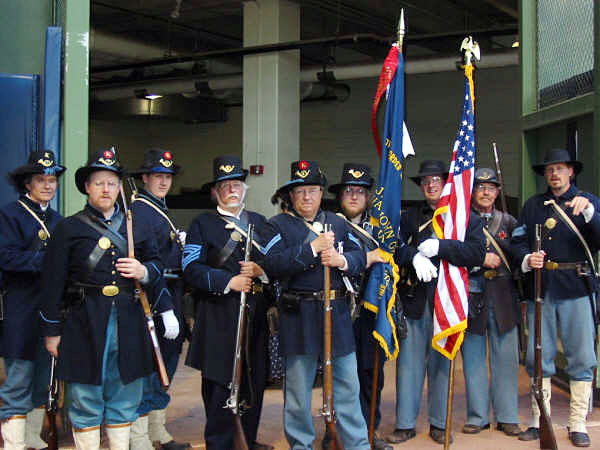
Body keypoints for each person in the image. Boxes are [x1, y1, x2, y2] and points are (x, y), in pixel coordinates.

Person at [40, 149, 179, 450]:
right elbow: (52, 284)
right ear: (87, 187)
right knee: (85, 396)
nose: (106, 189)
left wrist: (143, 270)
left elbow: (156, 266)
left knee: (126, 394)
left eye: (112, 183)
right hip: (83, 321)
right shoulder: (68, 228)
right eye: (99, 183)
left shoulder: (136, 225)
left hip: (129, 321)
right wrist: (52, 331)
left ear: (119, 188)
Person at [262, 160, 370, 449]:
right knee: (298, 392)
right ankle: (301, 445)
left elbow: (361, 257)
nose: (307, 197)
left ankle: (357, 444)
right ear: (291, 196)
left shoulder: (337, 222)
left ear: (322, 193)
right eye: (300, 192)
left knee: (348, 386)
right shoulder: (277, 226)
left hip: (336, 313)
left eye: (312, 190)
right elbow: (272, 265)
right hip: (299, 314)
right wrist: (312, 248)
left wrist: (342, 261)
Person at [387, 160, 485, 445]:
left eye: (436, 181)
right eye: (426, 181)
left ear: (446, 184)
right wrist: (413, 256)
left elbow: (477, 253)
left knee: (443, 364)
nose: (430, 185)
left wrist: (443, 247)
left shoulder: (465, 217)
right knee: (409, 365)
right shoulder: (410, 216)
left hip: (448, 301)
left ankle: (439, 423)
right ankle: (405, 424)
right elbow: (395, 247)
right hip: (416, 299)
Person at [511, 148, 600, 448]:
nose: (554, 174)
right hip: (543, 287)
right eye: (550, 169)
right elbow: (519, 240)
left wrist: (589, 213)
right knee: (539, 357)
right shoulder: (534, 205)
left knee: (582, 357)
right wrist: (526, 260)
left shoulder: (587, 202)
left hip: (576, 287)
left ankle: (577, 423)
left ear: (571, 172)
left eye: (560, 168)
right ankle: (540, 419)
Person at [183, 156, 272, 450]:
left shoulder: (259, 223)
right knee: (220, 383)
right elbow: (191, 267)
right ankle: (220, 442)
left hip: (255, 314)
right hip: (218, 314)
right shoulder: (202, 224)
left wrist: (262, 271)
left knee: (253, 378)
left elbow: (277, 262)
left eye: (236, 184)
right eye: (225, 186)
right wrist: (227, 282)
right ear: (214, 192)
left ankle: (246, 438)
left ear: (244, 188)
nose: (232, 190)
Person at [0, 151, 65, 450]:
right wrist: (49, 261)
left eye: (52, 180)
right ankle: (13, 445)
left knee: (43, 382)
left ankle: (32, 442)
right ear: (28, 183)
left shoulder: (58, 220)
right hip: (20, 309)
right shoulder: (10, 214)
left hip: (49, 310)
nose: (48, 185)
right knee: (17, 383)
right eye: (42, 180)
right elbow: (7, 257)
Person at [129, 148, 189, 450]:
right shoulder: (141, 209)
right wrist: (163, 307)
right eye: (157, 176)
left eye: (167, 177)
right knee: (152, 365)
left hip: (171, 291)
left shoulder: (157, 208)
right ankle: (140, 437)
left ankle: (157, 430)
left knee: (165, 362)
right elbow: (147, 261)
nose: (164, 182)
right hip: (154, 295)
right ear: (144, 178)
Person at [327, 163, 389, 450]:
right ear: (340, 195)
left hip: (372, 309)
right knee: (339, 375)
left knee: (370, 373)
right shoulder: (328, 224)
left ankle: (367, 431)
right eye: (348, 191)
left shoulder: (381, 228)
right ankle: (335, 432)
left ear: (368, 197)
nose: (353, 196)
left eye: (360, 192)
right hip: (340, 309)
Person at [461, 167, 521, 436]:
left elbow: (519, 257)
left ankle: (507, 416)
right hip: (474, 294)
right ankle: (477, 416)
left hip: (503, 294)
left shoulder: (509, 222)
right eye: (480, 187)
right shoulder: (463, 222)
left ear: (498, 192)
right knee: (473, 358)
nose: (485, 192)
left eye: (490, 187)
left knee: (506, 359)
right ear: (472, 192)